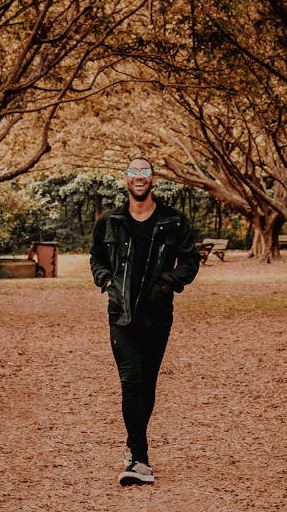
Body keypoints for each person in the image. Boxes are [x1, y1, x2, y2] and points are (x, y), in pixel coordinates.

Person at [89, 156, 200, 486]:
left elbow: (190, 261)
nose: (139, 177)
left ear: (153, 179)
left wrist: (166, 283)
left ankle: (131, 446)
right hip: (120, 316)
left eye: (145, 172)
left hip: (157, 316)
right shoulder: (110, 221)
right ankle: (140, 460)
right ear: (125, 180)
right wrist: (106, 281)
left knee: (147, 386)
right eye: (133, 172)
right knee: (131, 381)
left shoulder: (174, 221)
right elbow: (96, 257)